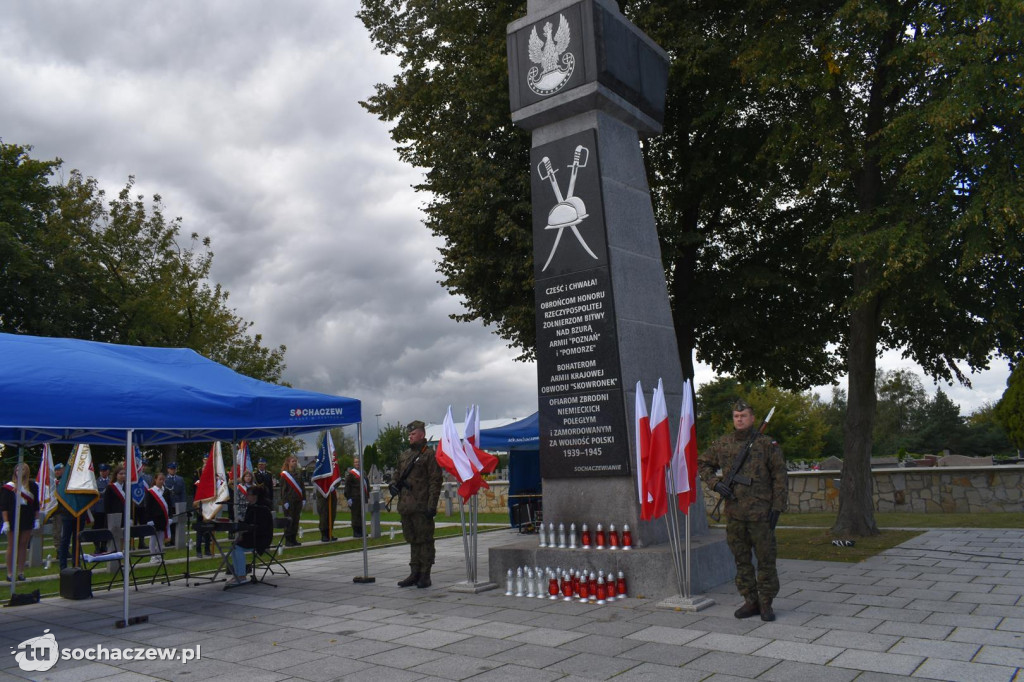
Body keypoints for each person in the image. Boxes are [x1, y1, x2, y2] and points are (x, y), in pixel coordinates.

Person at [698, 399, 788, 622]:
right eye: (736, 416)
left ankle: (766, 602)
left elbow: (780, 477)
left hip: (761, 514)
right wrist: (714, 483)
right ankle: (750, 600)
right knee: (741, 559)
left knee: (766, 560)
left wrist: (777, 507)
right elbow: (703, 463)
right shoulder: (723, 443)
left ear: (753, 418)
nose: (739, 419)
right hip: (735, 513)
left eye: (744, 416)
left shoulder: (767, 445)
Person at [393, 420, 442, 588]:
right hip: (406, 506)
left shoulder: (428, 455)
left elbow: (435, 481)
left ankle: (425, 574)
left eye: (413, 434)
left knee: (425, 540)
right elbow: (397, 475)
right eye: (409, 434)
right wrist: (393, 485)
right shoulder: (405, 455)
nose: (410, 437)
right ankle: (414, 572)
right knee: (413, 540)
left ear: (422, 434)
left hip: (422, 506)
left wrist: (432, 505)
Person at [228, 484, 274, 586]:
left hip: (261, 538)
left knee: (237, 548)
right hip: (252, 535)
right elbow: (249, 523)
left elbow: (260, 527)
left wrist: (244, 532)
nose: (246, 497)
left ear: (255, 496)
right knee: (234, 546)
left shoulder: (262, 508)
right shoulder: (251, 507)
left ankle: (241, 576)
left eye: (248, 495)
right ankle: (237, 574)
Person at [1, 462, 40, 582]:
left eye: (22, 469)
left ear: (26, 471)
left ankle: (21, 572)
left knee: (23, 544)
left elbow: (36, 505)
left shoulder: (32, 486)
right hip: (12, 517)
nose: (19, 470)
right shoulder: (9, 486)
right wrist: (5, 522)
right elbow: (4, 506)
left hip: (27, 517)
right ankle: (10, 573)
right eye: (18, 469)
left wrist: (37, 519)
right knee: (12, 545)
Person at [51, 461, 76, 571]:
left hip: (67, 510)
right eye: (56, 470)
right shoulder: (54, 483)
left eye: (59, 470)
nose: (57, 472)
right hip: (58, 511)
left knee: (63, 533)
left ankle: (65, 551)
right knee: (58, 531)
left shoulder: (66, 482)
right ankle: (59, 551)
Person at [143, 472, 171, 562]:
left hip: (163, 518)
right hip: (154, 518)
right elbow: (148, 506)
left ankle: (159, 554)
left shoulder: (166, 491)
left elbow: (169, 505)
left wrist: (170, 517)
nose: (161, 481)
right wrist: (149, 519)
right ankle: (152, 556)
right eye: (160, 479)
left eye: (163, 479)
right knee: (153, 537)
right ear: (155, 480)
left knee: (161, 537)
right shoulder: (151, 491)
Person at [280, 455, 305, 547]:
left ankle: (294, 539)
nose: (294, 463)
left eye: (295, 461)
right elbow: (282, 490)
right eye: (292, 461)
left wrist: (304, 498)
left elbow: (302, 487)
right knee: (289, 520)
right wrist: (285, 501)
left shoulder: (298, 474)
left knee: (296, 520)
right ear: (288, 463)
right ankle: (288, 539)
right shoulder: (285, 475)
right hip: (289, 501)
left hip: (298, 500)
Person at [343, 456, 368, 539]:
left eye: (358, 462)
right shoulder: (351, 474)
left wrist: (367, 495)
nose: (357, 464)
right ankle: (356, 531)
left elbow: (366, 485)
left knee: (362, 515)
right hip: (355, 497)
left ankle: (362, 530)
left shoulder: (363, 473)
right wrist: (348, 497)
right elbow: (347, 486)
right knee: (355, 515)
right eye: (356, 462)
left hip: (362, 497)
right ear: (354, 464)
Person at [163, 462, 185, 545]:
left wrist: (182, 503)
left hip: (178, 503)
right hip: (169, 504)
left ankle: (175, 539)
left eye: (174, 469)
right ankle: (168, 540)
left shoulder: (180, 479)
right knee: (169, 522)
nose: (173, 470)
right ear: (168, 469)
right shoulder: (165, 479)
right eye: (171, 469)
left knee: (178, 522)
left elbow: (183, 492)